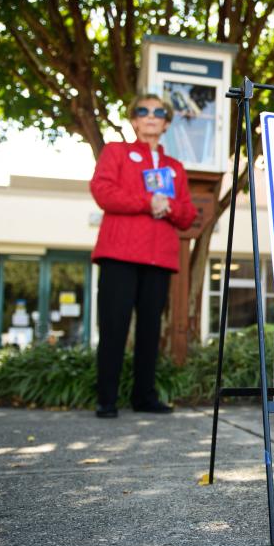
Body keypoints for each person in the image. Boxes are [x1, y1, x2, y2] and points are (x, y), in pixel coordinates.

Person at [89, 94, 197, 418]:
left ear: (166, 123)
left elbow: (188, 214)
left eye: (158, 112)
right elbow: (103, 191)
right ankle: (106, 399)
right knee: (114, 328)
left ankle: (144, 396)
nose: (151, 116)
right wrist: (147, 201)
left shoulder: (175, 168)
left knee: (150, 330)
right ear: (134, 120)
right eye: (143, 111)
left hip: (158, 259)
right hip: (119, 254)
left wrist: (170, 206)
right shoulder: (116, 152)